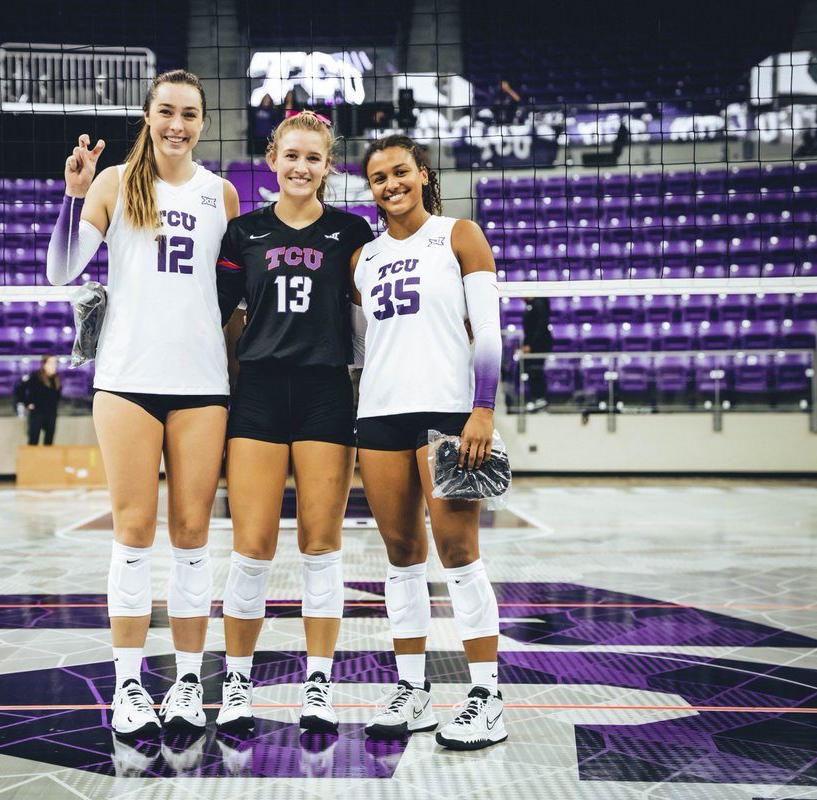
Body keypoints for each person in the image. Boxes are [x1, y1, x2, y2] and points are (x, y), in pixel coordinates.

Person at [46, 69, 241, 739]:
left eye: (189, 113)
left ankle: (189, 681)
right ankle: (129, 683)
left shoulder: (223, 195)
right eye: (166, 111)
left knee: (192, 536)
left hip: (201, 384)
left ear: (203, 122)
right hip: (127, 378)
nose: (176, 124)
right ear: (148, 114)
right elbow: (63, 270)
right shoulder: (114, 183)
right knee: (132, 533)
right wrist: (74, 197)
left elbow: (234, 301)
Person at [213, 111, 374, 735]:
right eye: (292, 156)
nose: (302, 167)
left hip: (325, 393)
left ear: (328, 166)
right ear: (273, 159)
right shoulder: (242, 233)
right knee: (251, 547)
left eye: (315, 158)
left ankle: (318, 685)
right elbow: (215, 315)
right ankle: (236, 684)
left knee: (320, 547)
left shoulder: (351, 231)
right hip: (257, 392)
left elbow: (378, 309)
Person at [351, 134, 507, 750]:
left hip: (448, 413)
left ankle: (486, 696)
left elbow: (490, 333)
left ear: (422, 174)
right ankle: (412, 690)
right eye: (378, 177)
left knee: (460, 552)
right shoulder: (361, 259)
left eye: (401, 172)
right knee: (400, 555)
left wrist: (484, 409)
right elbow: (362, 345)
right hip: (381, 415)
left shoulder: (459, 234)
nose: (391, 184)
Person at [19, 355, 62, 444]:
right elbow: (20, 389)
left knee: (49, 442)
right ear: (44, 365)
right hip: (37, 413)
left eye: (55, 363)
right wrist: (27, 403)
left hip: (51, 413)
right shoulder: (36, 377)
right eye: (51, 363)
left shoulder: (56, 379)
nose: (54, 365)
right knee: (33, 440)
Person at [522, 296, 553, 410]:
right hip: (534, 344)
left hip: (539, 345)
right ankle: (537, 397)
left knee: (535, 370)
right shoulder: (532, 305)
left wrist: (530, 345)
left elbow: (540, 327)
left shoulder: (539, 304)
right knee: (532, 370)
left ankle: (540, 398)